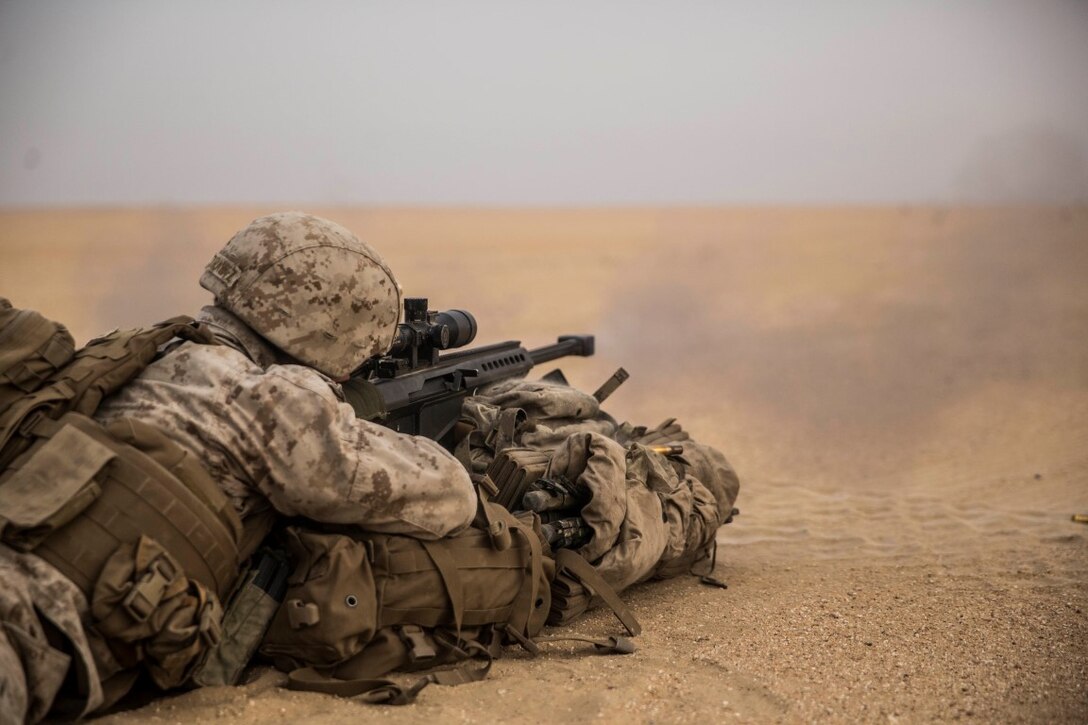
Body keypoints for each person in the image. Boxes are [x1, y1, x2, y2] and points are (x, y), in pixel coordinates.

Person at [0, 212, 477, 722]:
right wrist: (328, 404)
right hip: (32, 629)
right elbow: (452, 496)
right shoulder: (265, 400)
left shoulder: (142, 349)